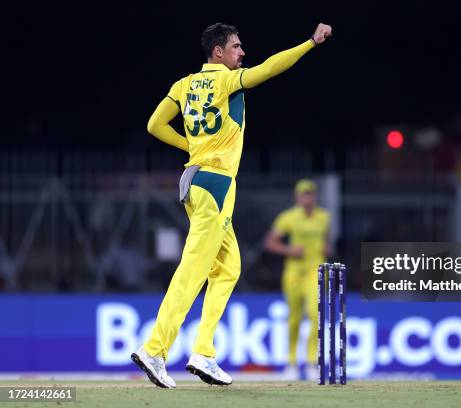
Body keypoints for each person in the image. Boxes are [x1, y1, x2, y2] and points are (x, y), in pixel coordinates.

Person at [131, 23, 333, 389]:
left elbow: (153, 125)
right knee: (191, 273)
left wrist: (190, 148)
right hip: (217, 184)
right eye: (237, 47)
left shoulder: (184, 84)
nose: (243, 53)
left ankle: (203, 353)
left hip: (195, 183)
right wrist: (310, 42)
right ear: (218, 53)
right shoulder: (226, 80)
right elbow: (270, 68)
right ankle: (154, 349)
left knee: (228, 268)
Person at [264, 179, 331, 380]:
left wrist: (326, 248)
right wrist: (290, 250)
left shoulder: (324, 217)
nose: (307, 197)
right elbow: (270, 243)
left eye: (310, 194)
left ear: (315, 196)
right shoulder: (288, 218)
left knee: (315, 314)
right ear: (297, 196)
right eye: (303, 194)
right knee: (294, 318)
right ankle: (291, 362)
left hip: (316, 270)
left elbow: (327, 240)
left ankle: (311, 362)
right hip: (294, 272)